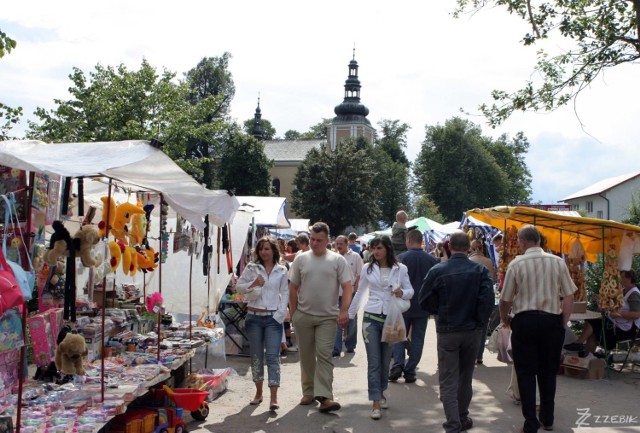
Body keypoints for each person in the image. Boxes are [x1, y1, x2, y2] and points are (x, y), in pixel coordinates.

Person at [500, 225, 575, 433]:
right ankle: (548, 418)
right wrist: (563, 322)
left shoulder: (516, 264)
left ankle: (530, 423)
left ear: (523, 242)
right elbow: (569, 295)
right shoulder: (558, 262)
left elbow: (505, 299)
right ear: (540, 241)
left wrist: (504, 318)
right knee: (548, 372)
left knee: (525, 372)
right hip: (551, 322)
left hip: (524, 322)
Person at [419, 231, 494, 433]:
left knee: (448, 377)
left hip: (448, 329)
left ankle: (453, 422)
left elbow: (424, 299)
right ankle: (462, 416)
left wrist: (440, 309)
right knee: (465, 376)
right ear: (469, 247)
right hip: (472, 330)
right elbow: (488, 300)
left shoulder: (438, 270)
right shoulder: (479, 270)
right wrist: (479, 321)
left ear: (449, 247)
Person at [288, 222, 353, 413]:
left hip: (328, 318)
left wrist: (343, 311)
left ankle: (325, 396)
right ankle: (308, 392)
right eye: (312, 239)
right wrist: (293, 313)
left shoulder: (337, 260)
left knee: (324, 355)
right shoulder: (301, 259)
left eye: (319, 240)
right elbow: (293, 287)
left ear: (328, 240)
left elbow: (348, 287)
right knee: (306, 356)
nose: (315, 243)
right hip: (304, 316)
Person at [348, 235, 413, 420]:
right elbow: (360, 292)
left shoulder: (401, 269)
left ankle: (382, 391)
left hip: (391, 320)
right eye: (373, 248)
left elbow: (411, 292)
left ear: (387, 249)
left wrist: (402, 292)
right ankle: (375, 401)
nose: (375, 252)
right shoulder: (368, 268)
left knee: (385, 362)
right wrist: (350, 315)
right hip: (370, 318)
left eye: (379, 248)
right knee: (374, 361)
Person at [234, 236, 289, 411]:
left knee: (273, 357)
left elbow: (285, 292)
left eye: (267, 248)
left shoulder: (281, 270)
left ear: (274, 250)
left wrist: (280, 315)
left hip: (272, 318)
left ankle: (274, 397)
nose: (264, 252)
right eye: (261, 249)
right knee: (256, 356)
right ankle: (258, 393)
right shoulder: (251, 268)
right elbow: (239, 288)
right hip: (254, 317)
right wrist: (253, 283)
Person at [389, 229, 438, 383]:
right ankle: (410, 370)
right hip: (422, 305)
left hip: (402, 304)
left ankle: (397, 364)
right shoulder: (431, 260)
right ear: (421, 241)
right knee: (418, 338)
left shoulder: (400, 258)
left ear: (408, 240)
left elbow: (392, 283)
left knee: (398, 335)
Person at [564, 269, 640, 354]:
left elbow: (636, 314)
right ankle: (588, 356)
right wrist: (600, 301)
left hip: (625, 331)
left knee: (593, 321)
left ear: (628, 278)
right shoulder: (624, 290)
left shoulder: (633, 294)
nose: (619, 279)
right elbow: (613, 307)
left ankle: (579, 343)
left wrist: (619, 314)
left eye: (621, 277)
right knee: (594, 329)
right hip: (617, 325)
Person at [333, 235, 364, 357]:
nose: (339, 246)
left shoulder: (355, 257)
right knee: (336, 319)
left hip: (350, 293)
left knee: (351, 319)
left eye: (341, 243)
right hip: (335, 293)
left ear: (347, 244)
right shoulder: (333, 257)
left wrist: (356, 288)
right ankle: (336, 348)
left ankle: (350, 345)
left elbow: (360, 274)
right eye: (337, 244)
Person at [468, 239, 497, 364]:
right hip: (486, 299)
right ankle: (479, 355)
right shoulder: (490, 262)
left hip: (471, 299)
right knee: (483, 328)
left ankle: (471, 355)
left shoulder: (469, 262)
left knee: (471, 328)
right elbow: (494, 279)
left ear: (472, 248)